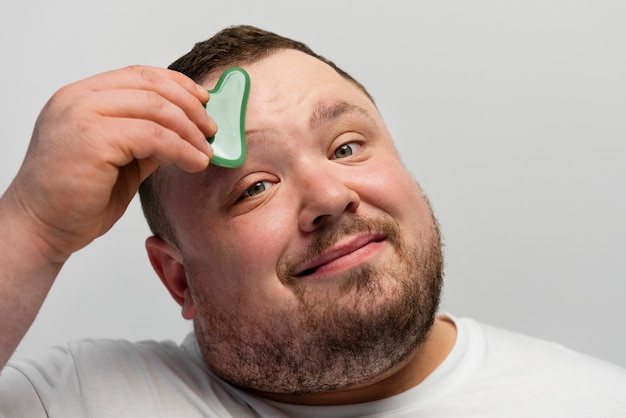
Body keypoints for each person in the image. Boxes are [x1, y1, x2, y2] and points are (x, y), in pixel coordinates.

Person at [0, 25, 624, 417]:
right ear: (178, 280)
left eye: (347, 147)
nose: (329, 194)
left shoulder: (596, 403)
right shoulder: (77, 399)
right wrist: (32, 226)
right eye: (255, 187)